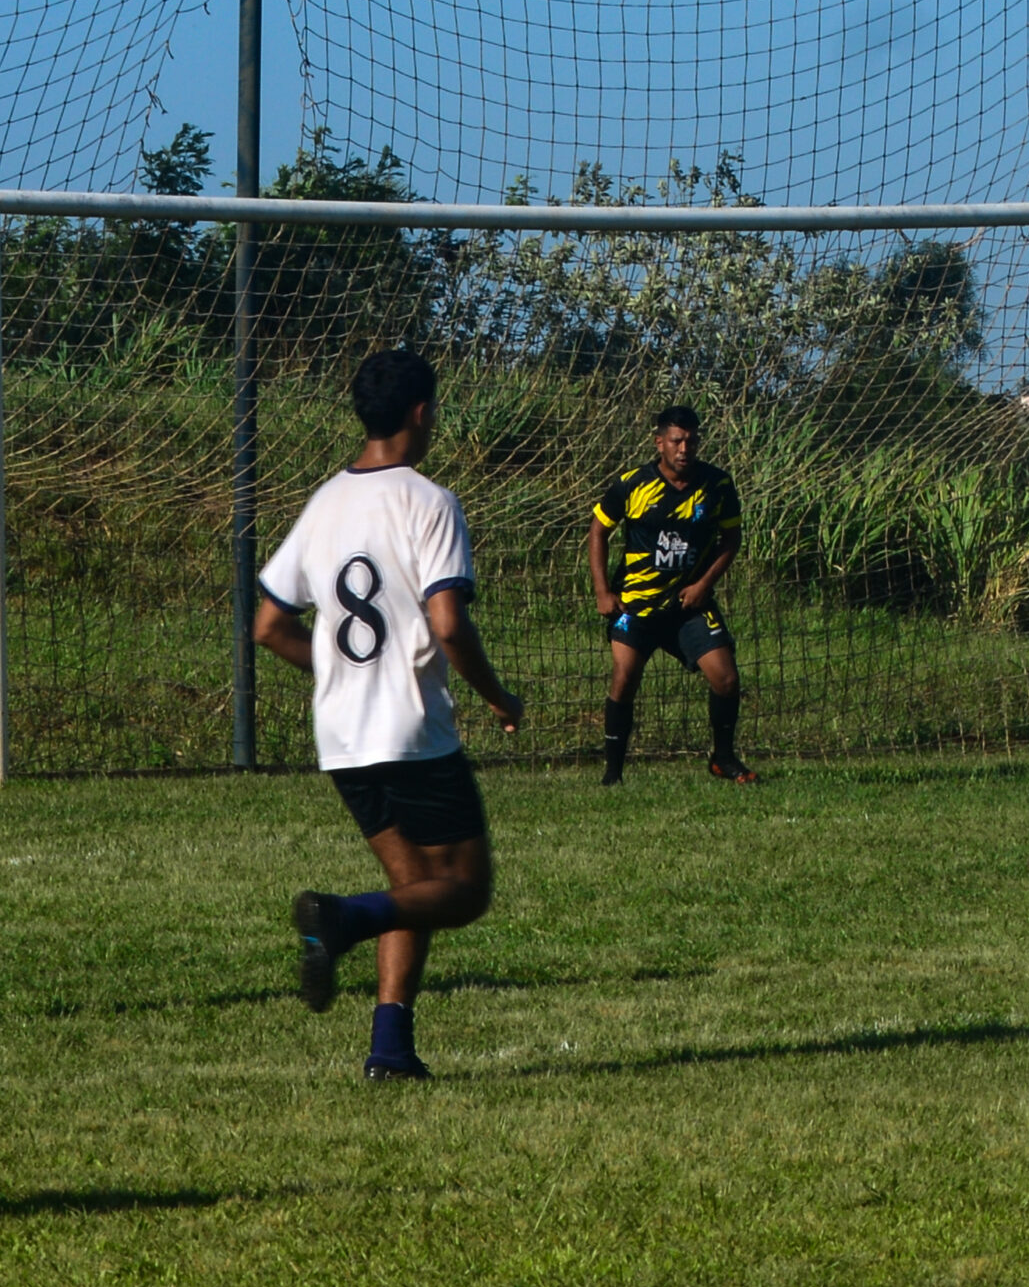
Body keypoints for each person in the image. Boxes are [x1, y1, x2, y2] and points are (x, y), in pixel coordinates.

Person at [254, 349, 524, 1080]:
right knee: (464, 893)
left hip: (342, 736)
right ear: (421, 412)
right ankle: (345, 918)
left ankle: (391, 1051)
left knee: (413, 892)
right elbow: (448, 622)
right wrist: (498, 697)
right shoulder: (429, 502)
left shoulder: (324, 503)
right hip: (409, 731)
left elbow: (269, 626)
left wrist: (342, 673)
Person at [589, 404, 754, 784]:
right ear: (659, 442)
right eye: (677, 441)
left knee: (727, 679)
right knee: (623, 680)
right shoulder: (632, 483)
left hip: (688, 606)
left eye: (691, 442)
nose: (684, 449)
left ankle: (723, 759)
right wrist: (602, 591)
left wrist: (704, 585)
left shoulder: (717, 484)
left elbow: (731, 538)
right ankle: (613, 774)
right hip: (636, 606)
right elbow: (598, 530)